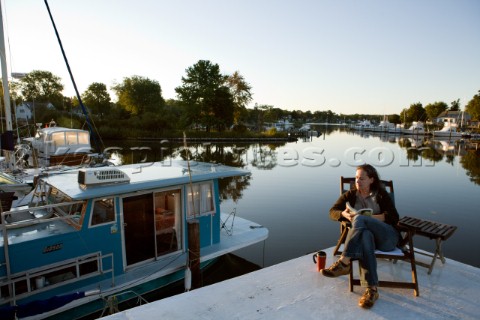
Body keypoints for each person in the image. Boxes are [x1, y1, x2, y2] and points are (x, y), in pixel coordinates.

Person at [321, 164, 400, 309]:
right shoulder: (350, 195)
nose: (357, 181)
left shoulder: (381, 194)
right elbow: (332, 211)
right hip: (367, 239)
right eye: (356, 178)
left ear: (371, 179)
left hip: (387, 238)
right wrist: (343, 214)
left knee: (359, 219)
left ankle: (344, 262)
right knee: (365, 236)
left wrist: (367, 219)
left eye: (362, 178)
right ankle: (372, 290)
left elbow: (394, 217)